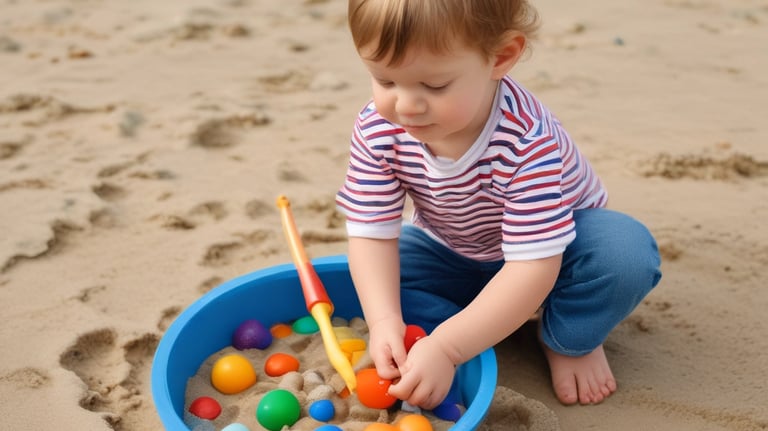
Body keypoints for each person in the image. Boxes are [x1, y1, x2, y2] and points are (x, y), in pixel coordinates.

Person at [336, 0, 662, 409]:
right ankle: (474, 323)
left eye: (434, 86)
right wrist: (384, 321)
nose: (405, 106)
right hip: (452, 247)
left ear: (501, 57)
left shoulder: (527, 141)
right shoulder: (378, 128)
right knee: (367, 278)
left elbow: (534, 266)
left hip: (559, 252)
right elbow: (372, 236)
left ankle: (568, 337)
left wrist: (449, 348)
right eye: (385, 80)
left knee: (624, 257)